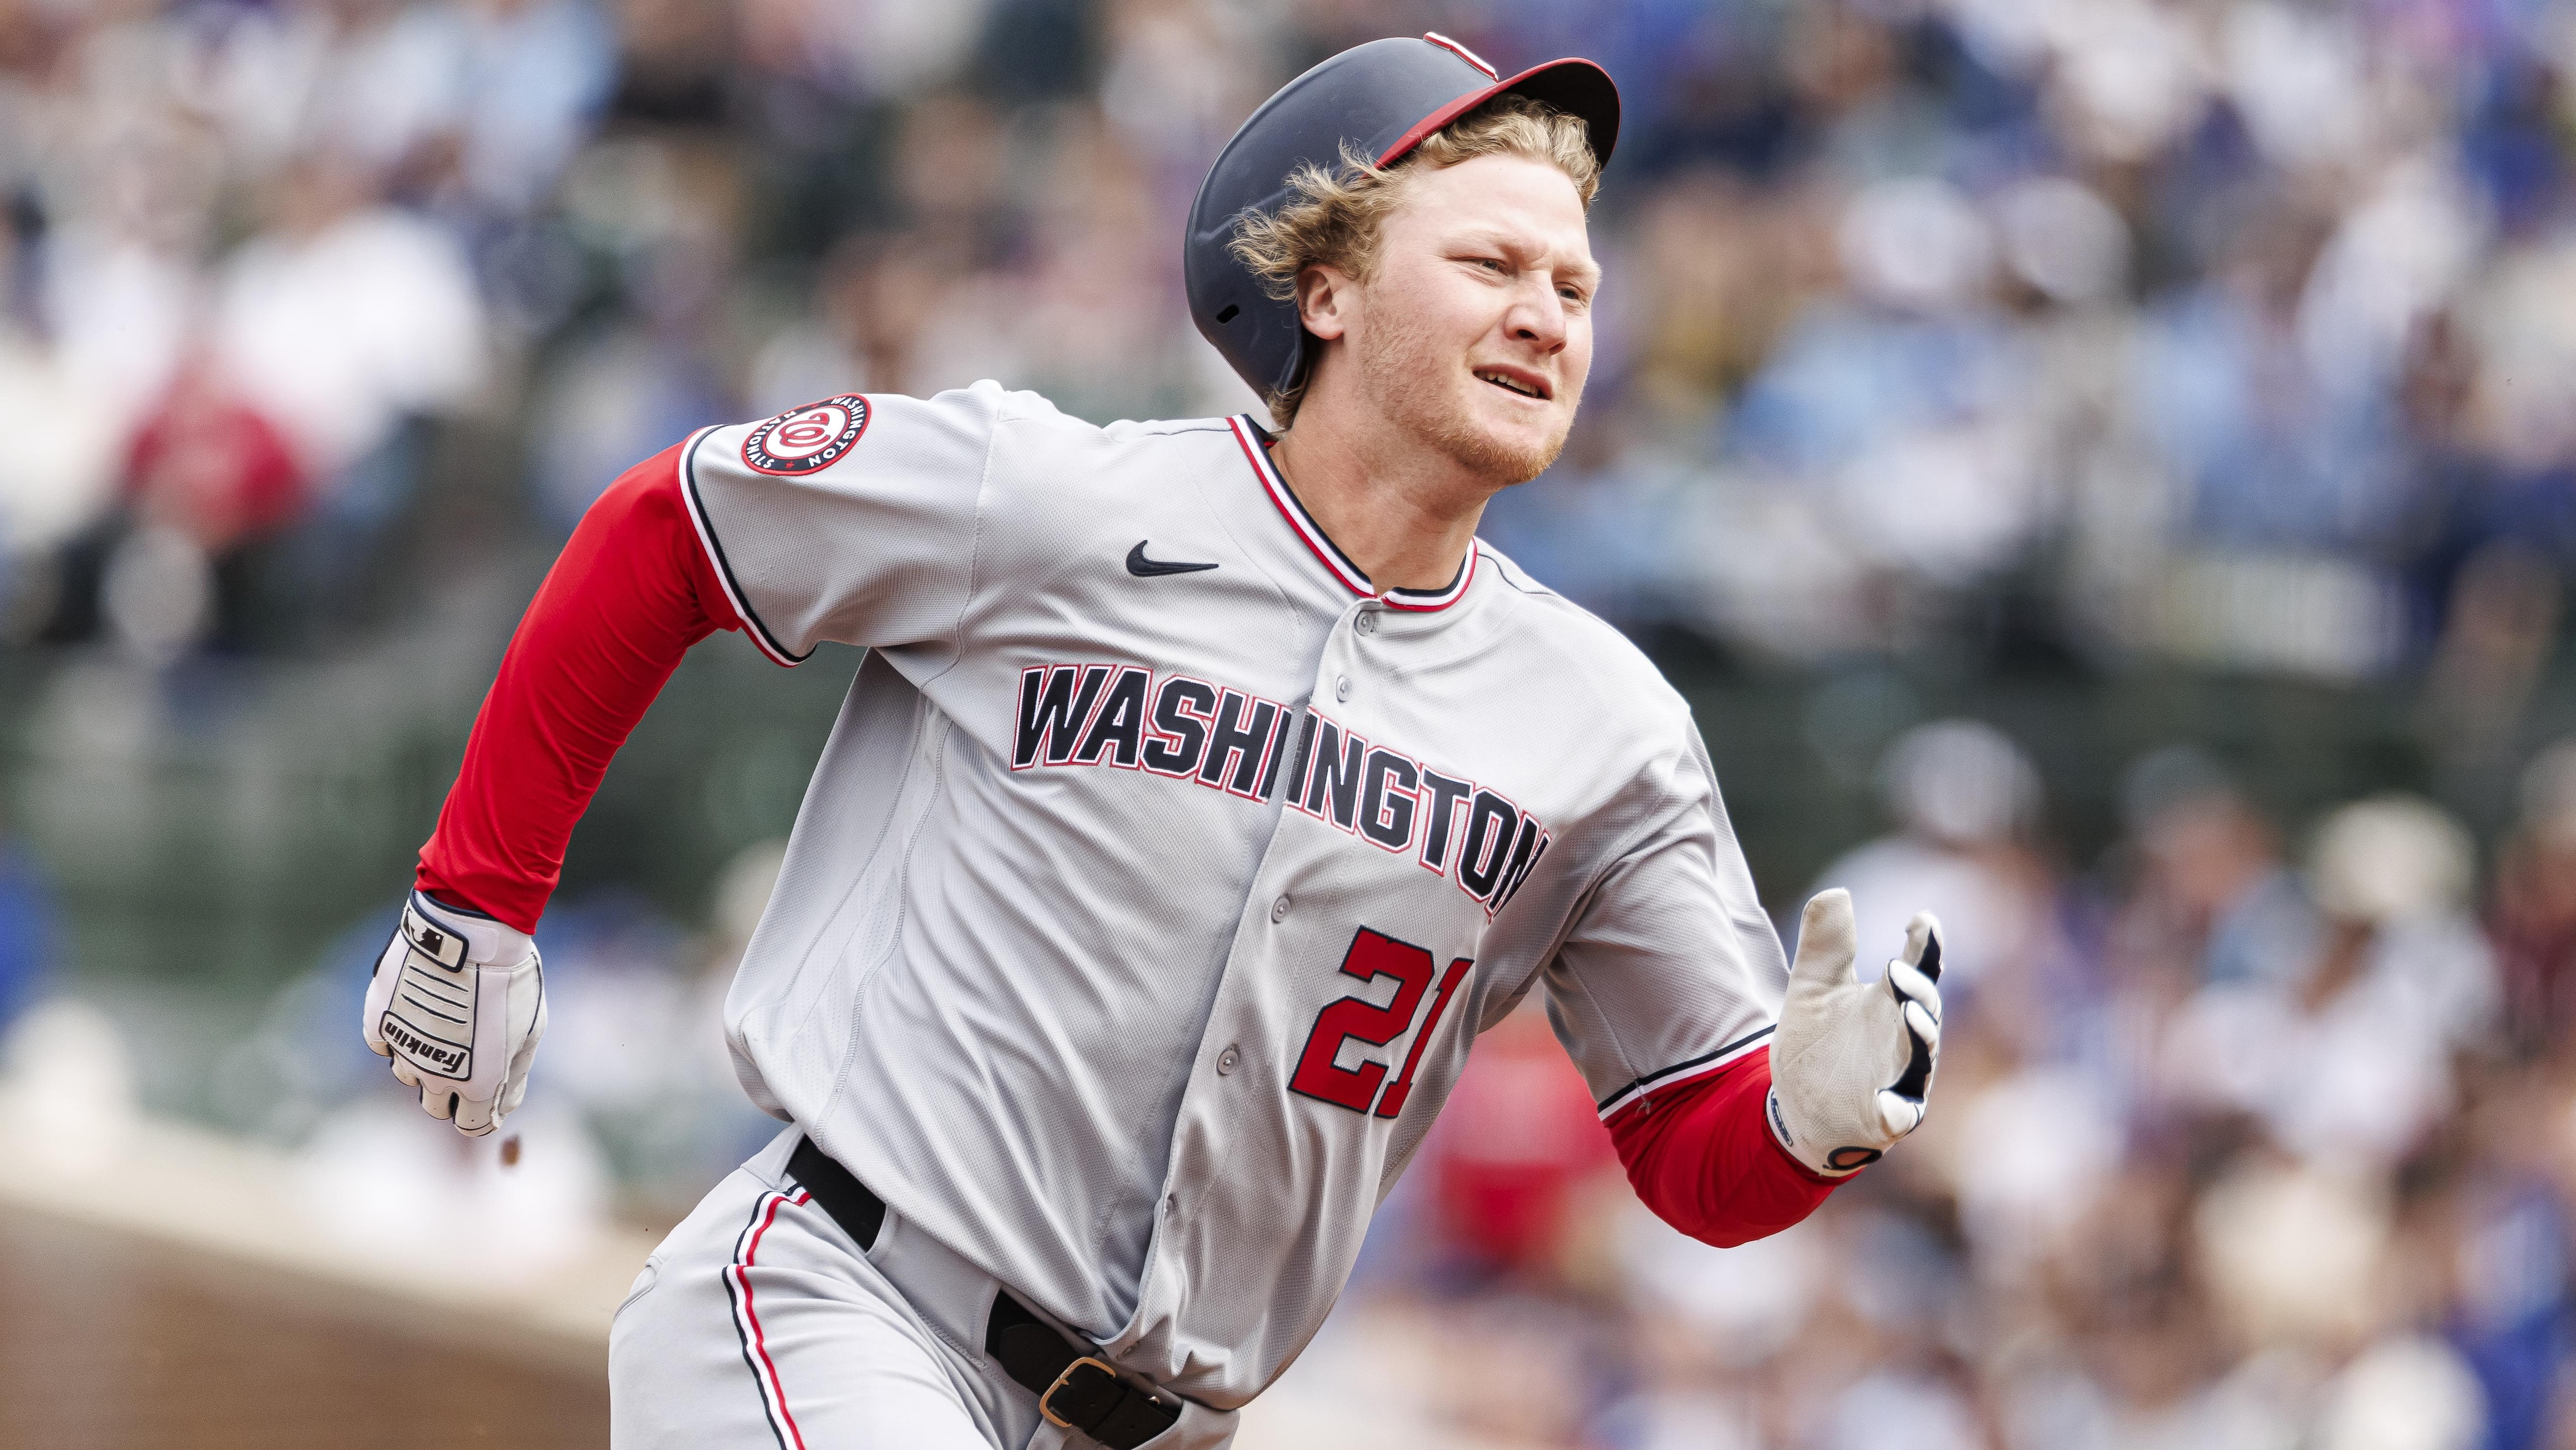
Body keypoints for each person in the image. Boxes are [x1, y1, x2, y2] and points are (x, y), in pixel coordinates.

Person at [361, 36, 1945, 1450]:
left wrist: (1805, 1128)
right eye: (1492, 264)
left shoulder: (1607, 728)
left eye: (1577, 287)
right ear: (1325, 287)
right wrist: (474, 902)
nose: (1547, 314)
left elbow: (1691, 1152)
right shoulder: (1057, 502)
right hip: (850, 1305)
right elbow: (671, 530)